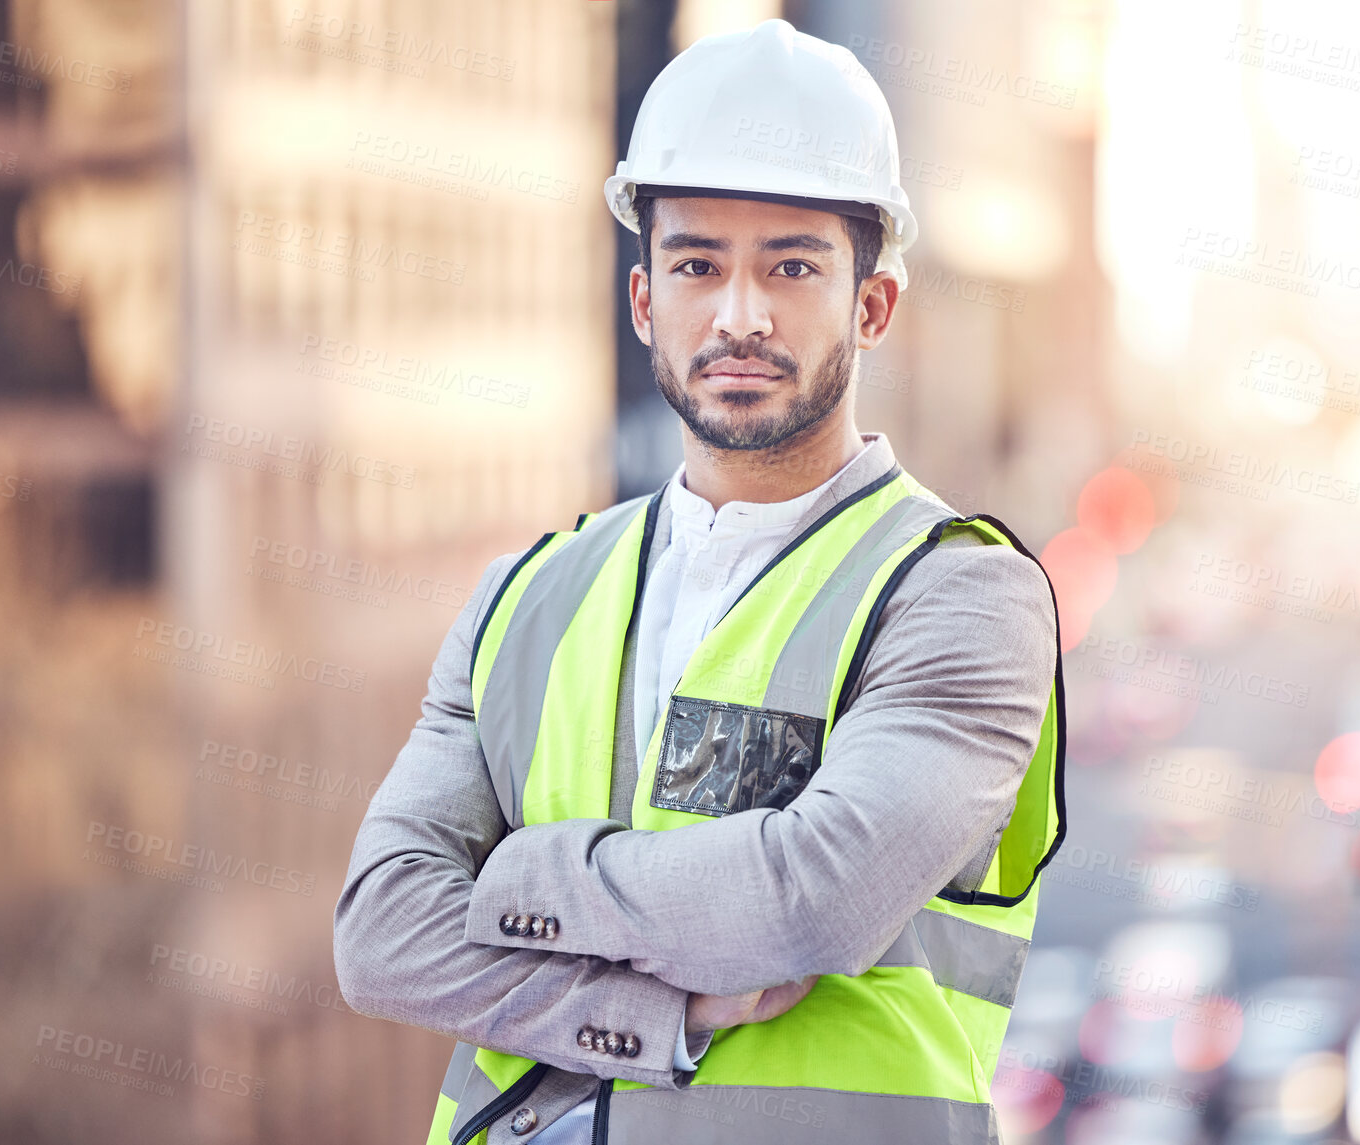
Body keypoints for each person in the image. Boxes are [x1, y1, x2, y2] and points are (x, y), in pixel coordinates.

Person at [333, 19, 1066, 1145]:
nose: (739, 314)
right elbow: (382, 930)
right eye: (697, 264)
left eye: (791, 265)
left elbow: (811, 897)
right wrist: (653, 1011)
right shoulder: (525, 595)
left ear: (873, 306)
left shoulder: (959, 596)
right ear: (643, 304)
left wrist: (521, 873)